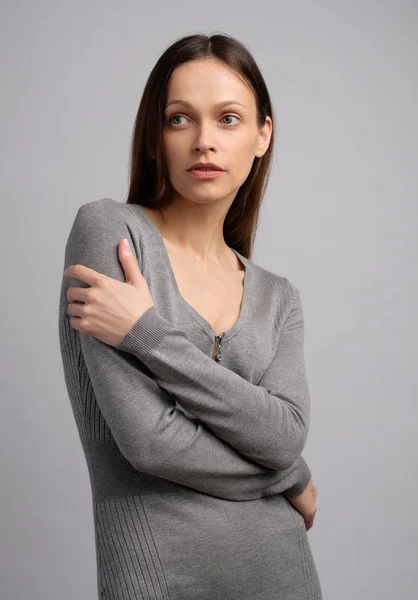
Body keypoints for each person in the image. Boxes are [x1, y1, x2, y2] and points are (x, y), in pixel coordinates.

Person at [59, 32, 323, 600]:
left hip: (284, 578)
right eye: (180, 119)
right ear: (156, 137)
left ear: (262, 136)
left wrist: (146, 334)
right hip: (158, 582)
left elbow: (283, 436)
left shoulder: (279, 298)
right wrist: (289, 477)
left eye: (228, 119)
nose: (205, 141)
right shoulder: (111, 233)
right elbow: (149, 442)